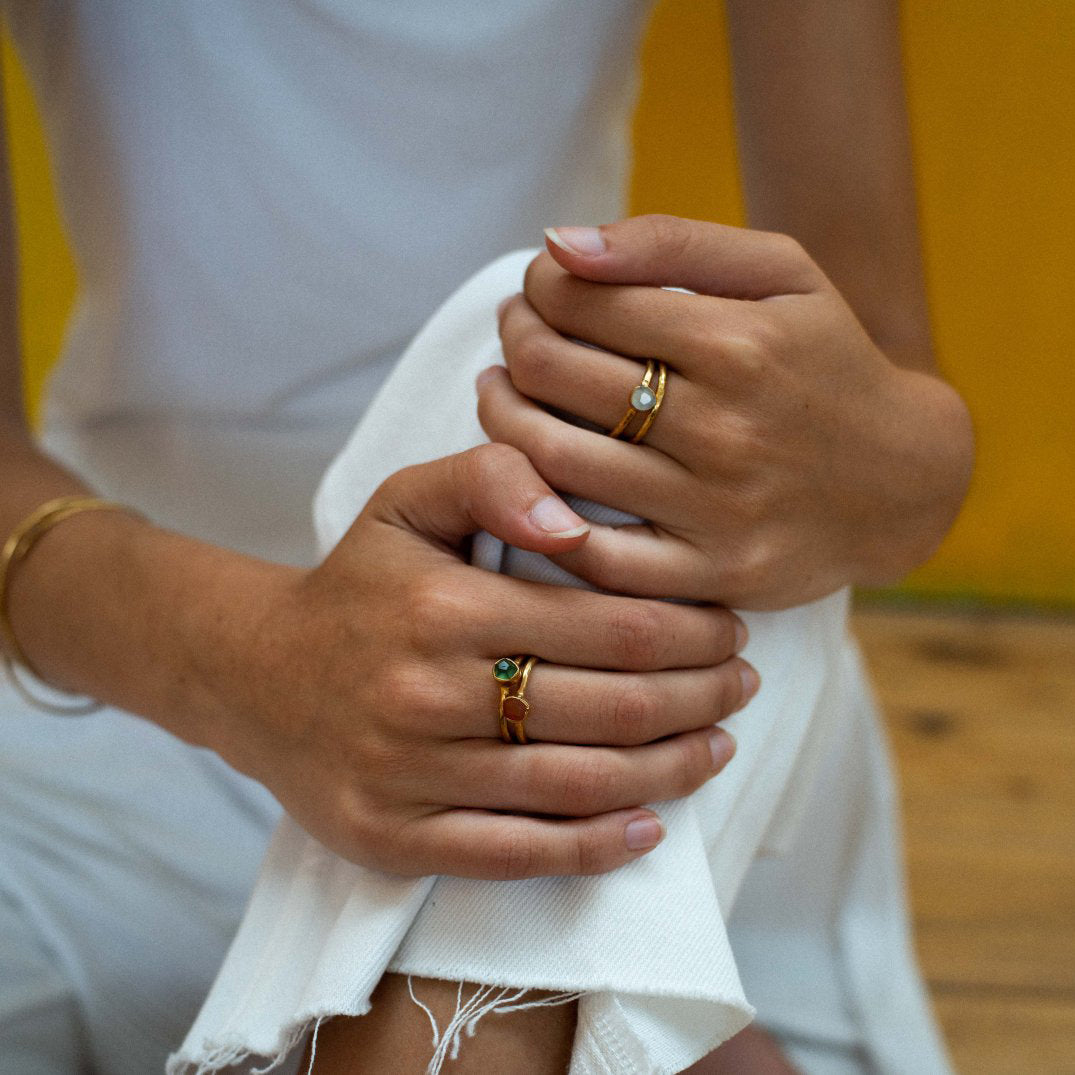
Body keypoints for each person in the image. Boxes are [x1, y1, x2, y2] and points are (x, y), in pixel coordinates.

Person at [0, 3, 972, 1073]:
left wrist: (813, 443)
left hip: (634, 712)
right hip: (114, 693)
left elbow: (880, 403)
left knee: (577, 428)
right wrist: (248, 660)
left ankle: (529, 996)